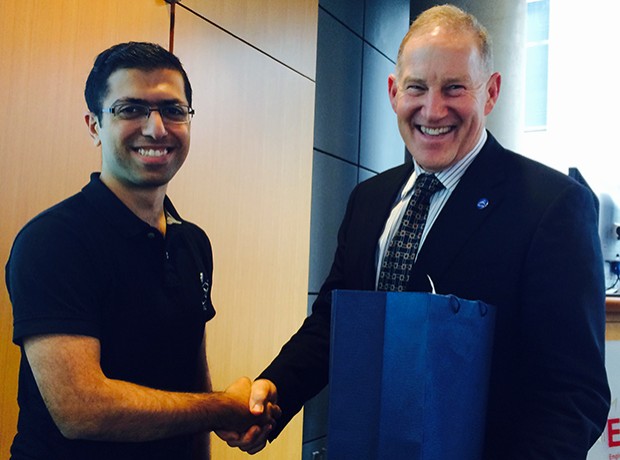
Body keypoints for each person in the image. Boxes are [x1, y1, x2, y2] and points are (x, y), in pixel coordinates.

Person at [218, 4, 611, 458]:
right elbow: (333, 323)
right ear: (393, 92)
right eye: (417, 88)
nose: (433, 108)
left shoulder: (551, 206)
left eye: (454, 88)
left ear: (491, 92)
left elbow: (573, 395)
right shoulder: (368, 199)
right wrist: (273, 390)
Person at [5, 41, 278, 460]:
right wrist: (225, 407)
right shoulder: (54, 241)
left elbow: (192, 379)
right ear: (94, 125)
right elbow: (81, 410)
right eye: (130, 109)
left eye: (173, 110)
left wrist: (222, 414)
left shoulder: (193, 242)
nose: (156, 128)